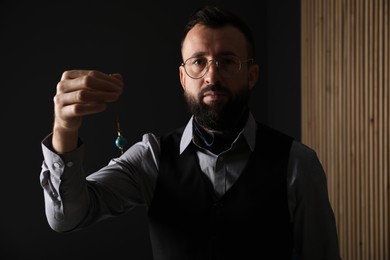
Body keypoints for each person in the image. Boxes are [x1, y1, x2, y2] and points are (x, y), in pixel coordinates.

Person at [40, 4, 341, 260]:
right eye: (199, 62)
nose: (212, 74)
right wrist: (64, 129)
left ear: (251, 75)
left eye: (227, 61)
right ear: (184, 78)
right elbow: (66, 218)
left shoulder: (298, 164)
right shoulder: (152, 159)